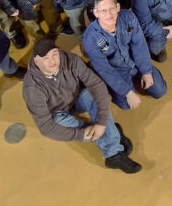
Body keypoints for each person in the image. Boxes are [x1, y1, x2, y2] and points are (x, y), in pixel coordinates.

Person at [22, 38, 142, 174]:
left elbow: (96, 84)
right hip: (58, 112)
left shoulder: (70, 59)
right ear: (36, 62)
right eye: (45, 58)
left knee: (91, 95)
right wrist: (80, 134)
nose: (52, 61)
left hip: (77, 98)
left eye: (55, 54)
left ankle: (112, 151)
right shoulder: (32, 88)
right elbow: (46, 127)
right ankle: (112, 136)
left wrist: (102, 123)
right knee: (56, 123)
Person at [83, 0, 166, 110]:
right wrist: (127, 92)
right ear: (96, 13)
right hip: (117, 71)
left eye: (111, 8)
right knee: (127, 105)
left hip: (135, 63)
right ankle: (119, 88)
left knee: (160, 91)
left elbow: (139, 45)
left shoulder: (128, 17)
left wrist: (146, 71)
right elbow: (104, 69)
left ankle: (145, 74)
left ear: (118, 7)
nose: (108, 14)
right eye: (103, 11)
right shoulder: (90, 38)